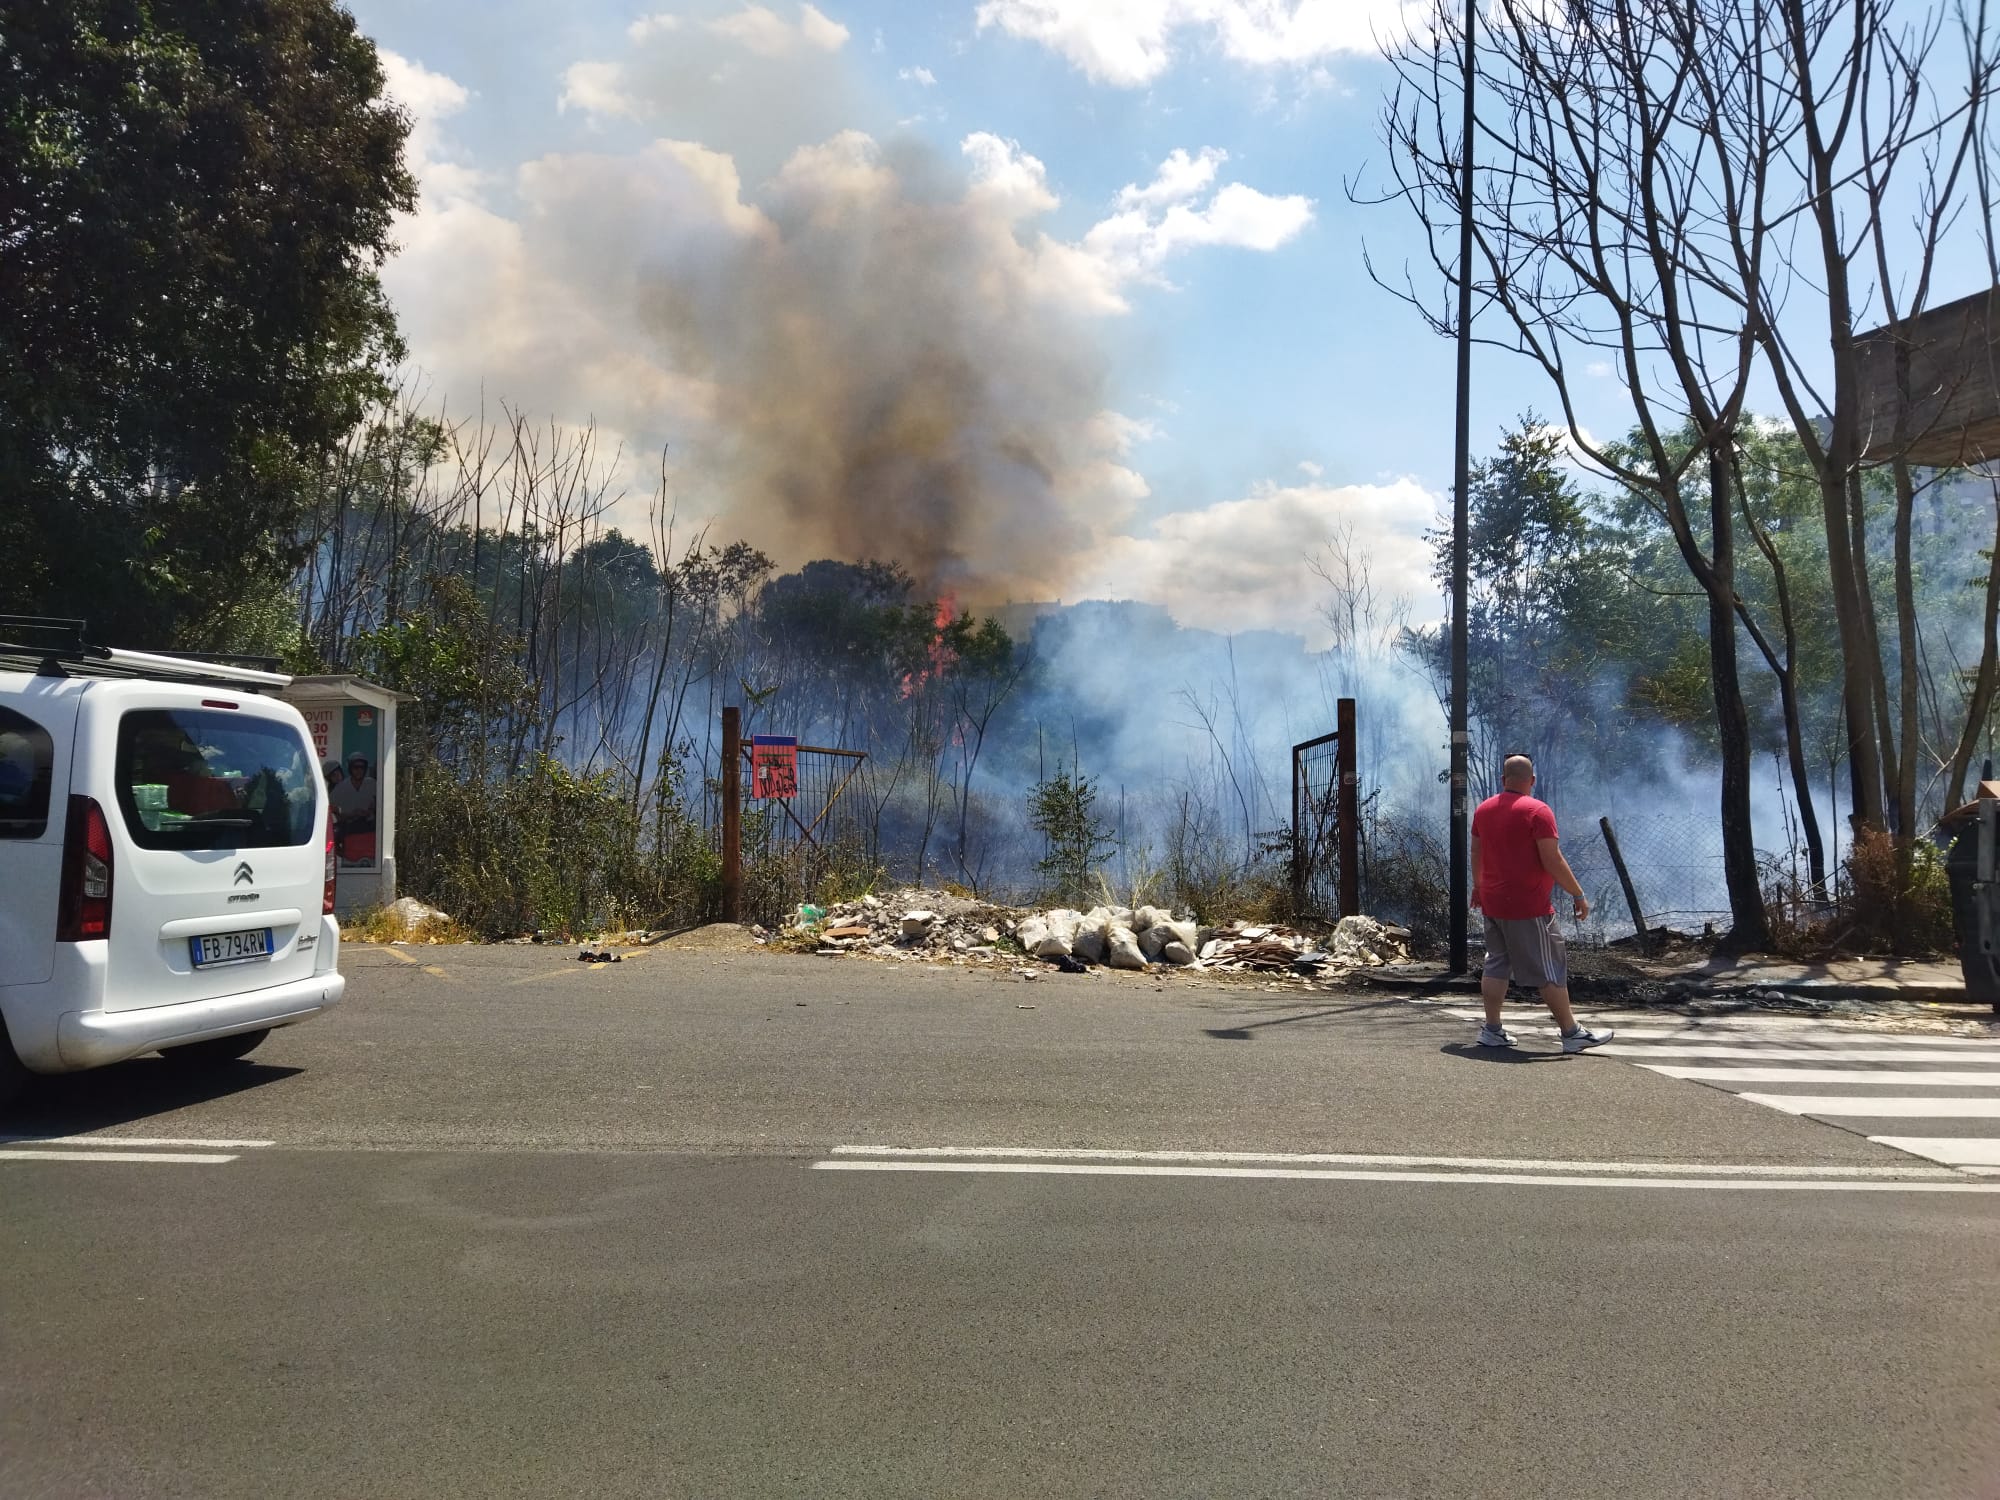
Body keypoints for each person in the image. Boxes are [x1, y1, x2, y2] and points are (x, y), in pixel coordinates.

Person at [1470, 754, 1613, 1054]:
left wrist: (1479, 888)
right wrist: (1577, 893)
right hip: (1528, 905)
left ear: (1502, 779)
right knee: (1549, 967)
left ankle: (1492, 1030)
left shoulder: (1483, 810)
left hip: (1493, 902)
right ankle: (1571, 1032)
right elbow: (1552, 860)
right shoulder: (1538, 811)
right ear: (1532, 780)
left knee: (1496, 963)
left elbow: (1476, 853)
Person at [330, 752, 377, 859]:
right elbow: (332, 810)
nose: (359, 770)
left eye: (362, 767)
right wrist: (351, 814)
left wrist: (372, 810)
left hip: (370, 826)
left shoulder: (372, 784)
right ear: (350, 768)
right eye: (356, 767)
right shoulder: (340, 788)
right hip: (347, 827)